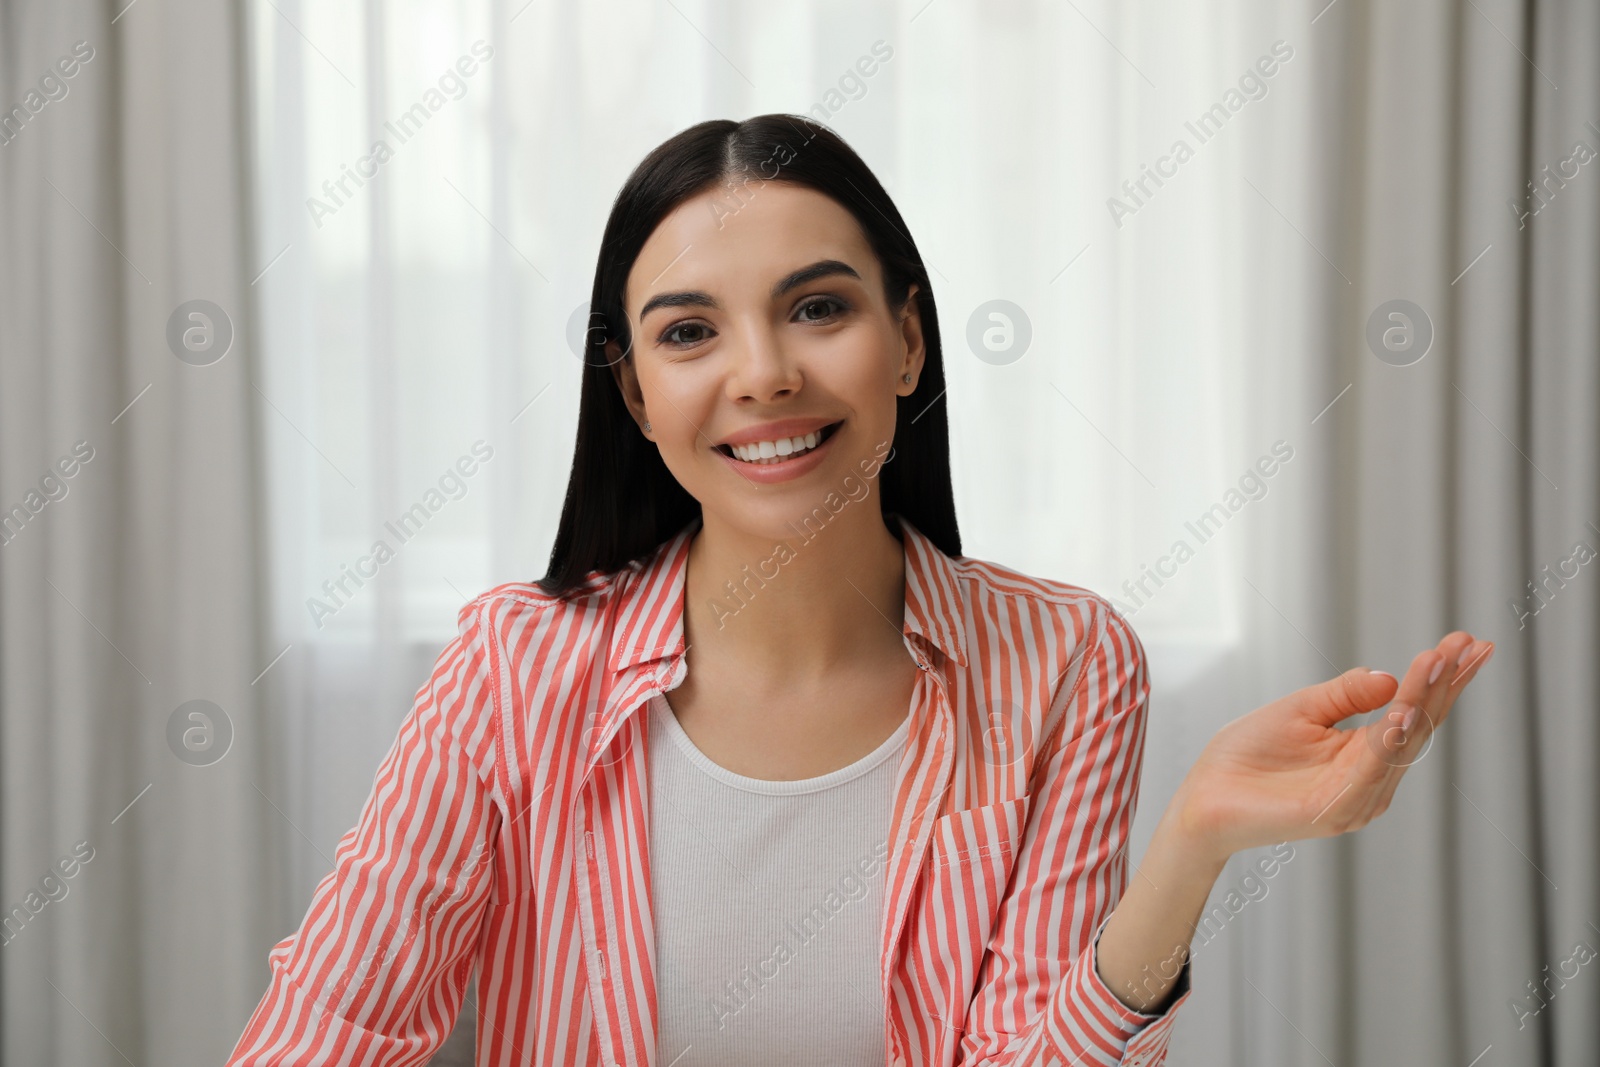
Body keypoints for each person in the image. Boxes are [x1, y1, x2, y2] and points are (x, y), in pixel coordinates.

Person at [225, 114, 1492, 1067]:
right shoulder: (513, 662)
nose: (764, 372)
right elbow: (334, 1019)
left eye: (817, 307)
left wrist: (1192, 844)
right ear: (634, 396)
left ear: (910, 341)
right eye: (687, 332)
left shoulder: (1067, 660)